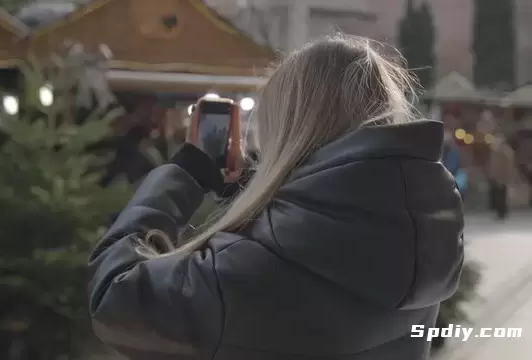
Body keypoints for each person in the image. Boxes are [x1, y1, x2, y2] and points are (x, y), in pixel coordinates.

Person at [87, 36, 464, 360]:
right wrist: (264, 194)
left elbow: (114, 297)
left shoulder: (239, 273)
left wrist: (181, 177)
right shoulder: (420, 237)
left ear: (286, 128)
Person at [487, 135, 518, 220]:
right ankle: (500, 211)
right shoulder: (496, 151)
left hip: (503, 177)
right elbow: (493, 165)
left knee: (503, 195)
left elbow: (509, 166)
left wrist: (507, 176)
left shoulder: (506, 152)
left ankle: (502, 211)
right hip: (498, 176)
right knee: (499, 194)